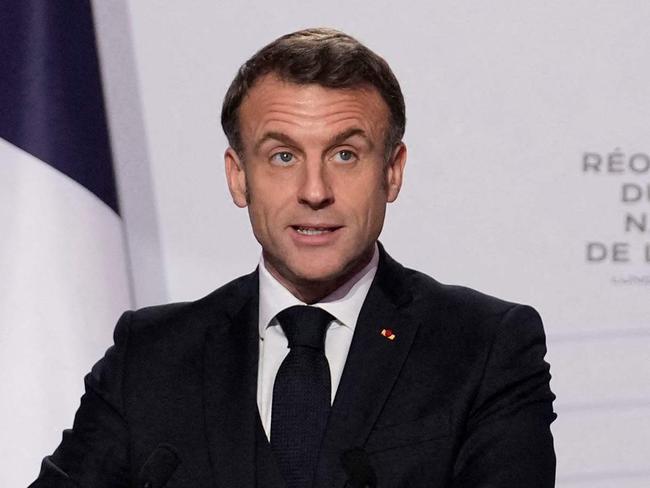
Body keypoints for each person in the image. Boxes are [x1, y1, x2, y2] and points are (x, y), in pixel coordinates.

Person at [30, 28, 556, 488]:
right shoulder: (150, 357)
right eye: (283, 156)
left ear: (392, 172)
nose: (314, 190)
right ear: (239, 176)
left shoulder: (485, 346)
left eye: (344, 154)